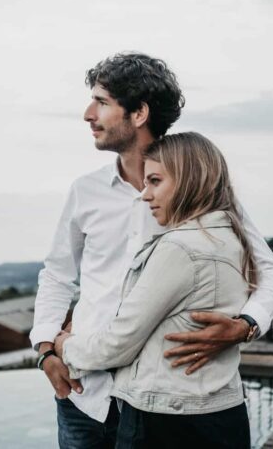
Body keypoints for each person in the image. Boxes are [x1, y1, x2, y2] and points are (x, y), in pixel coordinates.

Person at [30, 52, 273, 448]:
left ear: (138, 113)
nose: (87, 113)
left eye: (101, 101)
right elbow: (57, 275)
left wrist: (247, 324)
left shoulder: (200, 192)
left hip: (161, 408)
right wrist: (47, 350)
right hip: (84, 395)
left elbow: (269, 271)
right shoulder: (85, 191)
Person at [54, 132, 255, 448]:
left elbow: (119, 343)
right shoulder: (232, 237)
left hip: (166, 422)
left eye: (155, 182)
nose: (145, 195)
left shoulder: (179, 248)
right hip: (224, 413)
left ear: (190, 180)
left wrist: (64, 346)